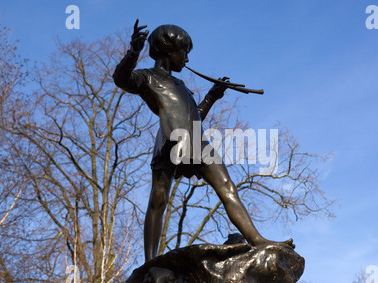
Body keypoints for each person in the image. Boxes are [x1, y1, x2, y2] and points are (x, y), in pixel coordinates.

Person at [113, 20, 294, 262]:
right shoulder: (148, 78)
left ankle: (257, 240)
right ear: (168, 49)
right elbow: (121, 79)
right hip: (171, 140)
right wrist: (133, 52)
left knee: (227, 186)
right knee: (158, 199)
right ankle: (150, 262)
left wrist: (212, 95)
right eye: (184, 52)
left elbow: (194, 116)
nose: (186, 60)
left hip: (196, 140)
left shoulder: (180, 85)